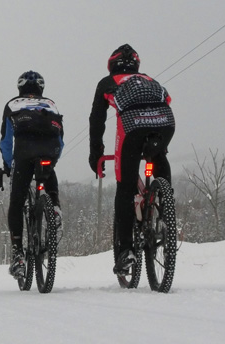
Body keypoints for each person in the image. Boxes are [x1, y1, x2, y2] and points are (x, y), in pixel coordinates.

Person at [88, 44, 175, 275]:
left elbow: (97, 120)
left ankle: (126, 250)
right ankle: (166, 212)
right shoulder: (148, 79)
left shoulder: (108, 82)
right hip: (165, 124)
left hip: (132, 127)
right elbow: (166, 99)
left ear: (111, 66)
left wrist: (96, 152)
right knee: (158, 158)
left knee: (125, 188)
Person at [0, 70, 64, 278]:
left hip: (25, 151)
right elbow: (60, 138)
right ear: (41, 88)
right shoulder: (50, 104)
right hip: (50, 149)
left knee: (17, 203)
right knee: (47, 170)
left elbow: (7, 141)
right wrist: (53, 159)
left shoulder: (13, 104)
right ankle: (54, 207)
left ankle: (18, 254)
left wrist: (9, 165)